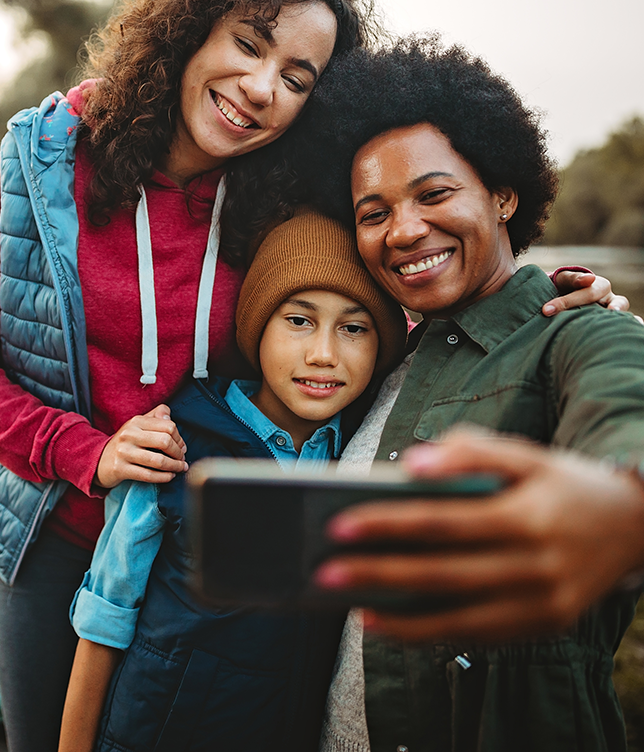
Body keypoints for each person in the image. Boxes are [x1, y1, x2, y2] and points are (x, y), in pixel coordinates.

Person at [0, 0, 621, 750]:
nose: (261, 90)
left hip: (223, 536)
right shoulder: (43, 166)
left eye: (298, 79)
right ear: (191, 33)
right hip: (57, 527)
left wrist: (554, 296)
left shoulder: (297, 199)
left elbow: (412, 279)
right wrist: (87, 452)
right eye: (249, 45)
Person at [283, 37, 644, 752]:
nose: (405, 229)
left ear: (503, 193)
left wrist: (634, 508)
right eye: (373, 212)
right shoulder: (383, 353)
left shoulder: (584, 334)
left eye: (434, 193)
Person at [56, 210, 406, 752]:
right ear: (256, 326)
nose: (324, 354)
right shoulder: (174, 447)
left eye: (355, 328)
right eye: (299, 320)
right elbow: (104, 620)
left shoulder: (363, 454)